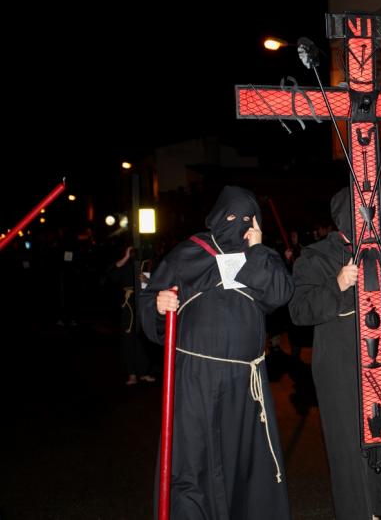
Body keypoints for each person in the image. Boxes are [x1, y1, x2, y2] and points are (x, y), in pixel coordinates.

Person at [140, 186, 294, 519]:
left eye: (247, 219)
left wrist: (257, 248)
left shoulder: (261, 257)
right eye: (230, 217)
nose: (238, 224)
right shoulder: (188, 254)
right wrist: (157, 304)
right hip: (197, 378)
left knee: (242, 463)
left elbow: (280, 293)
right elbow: (149, 300)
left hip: (245, 383)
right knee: (193, 460)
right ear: (216, 216)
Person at [288, 187, 381, 520]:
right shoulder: (316, 255)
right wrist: (337, 284)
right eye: (367, 213)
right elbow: (299, 311)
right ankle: (359, 512)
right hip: (341, 360)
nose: (374, 220)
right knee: (350, 441)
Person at [108, 245, 155, 386]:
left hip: (143, 306)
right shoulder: (126, 265)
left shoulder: (147, 265)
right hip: (128, 307)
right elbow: (111, 274)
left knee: (143, 338)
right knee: (129, 339)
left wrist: (147, 281)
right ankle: (132, 374)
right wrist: (126, 257)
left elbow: (159, 284)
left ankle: (144, 372)